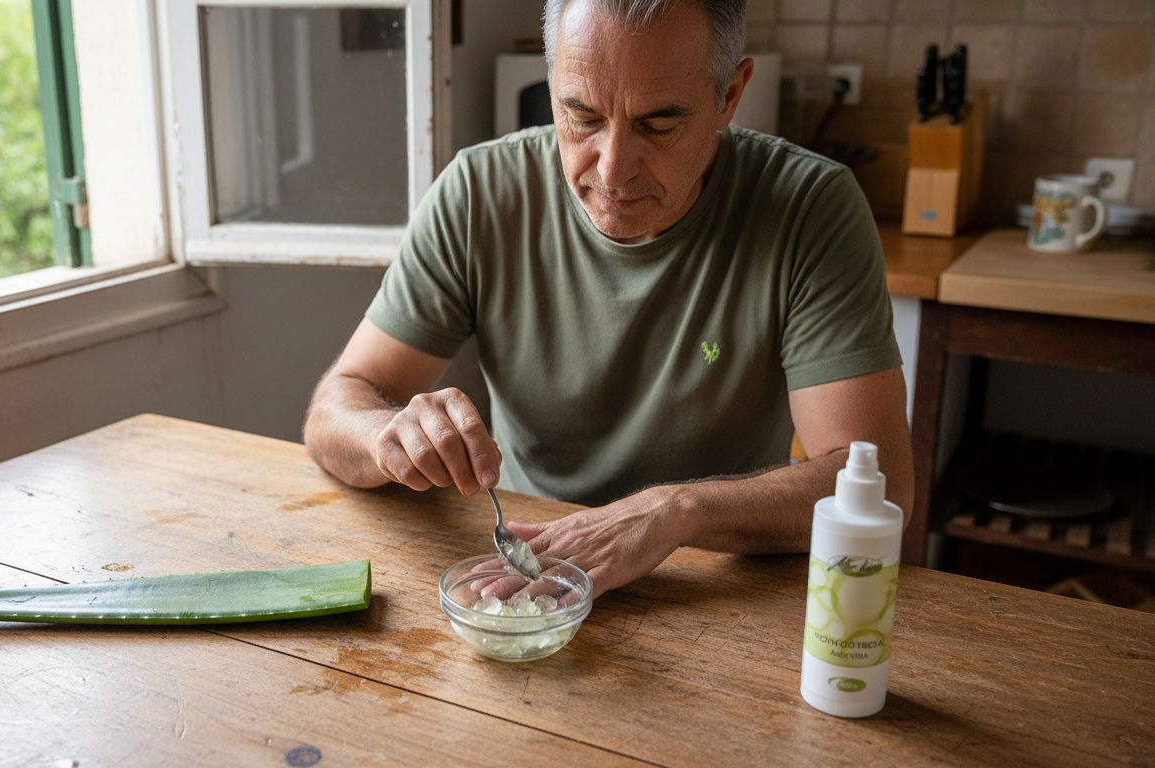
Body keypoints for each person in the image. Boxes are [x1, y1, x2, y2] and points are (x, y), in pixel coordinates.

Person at [304, 0, 913, 598]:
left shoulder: (810, 208)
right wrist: (389, 435)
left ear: (729, 96)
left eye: (659, 124)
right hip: (523, 572)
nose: (614, 169)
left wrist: (675, 511)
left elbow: (879, 483)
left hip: (714, 582)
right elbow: (336, 408)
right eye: (582, 116)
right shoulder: (478, 193)